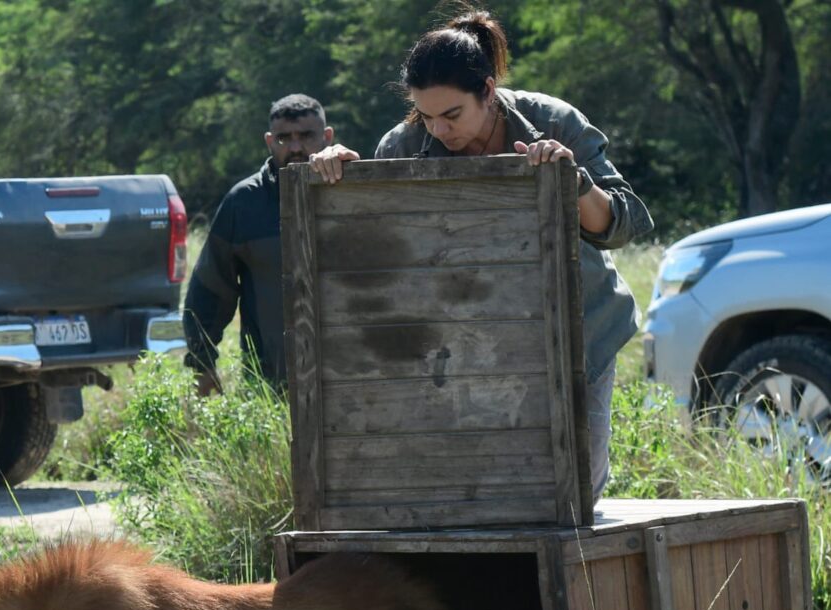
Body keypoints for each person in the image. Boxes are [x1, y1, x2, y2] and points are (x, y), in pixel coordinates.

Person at [308, 10, 653, 502]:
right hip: (462, 340)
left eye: (452, 116)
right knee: (473, 489)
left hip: (580, 330)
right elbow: (380, 248)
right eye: (426, 116)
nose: (440, 130)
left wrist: (572, 182)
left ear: (488, 92)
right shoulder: (404, 145)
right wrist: (342, 176)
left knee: (575, 491)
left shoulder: (554, 119)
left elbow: (627, 224)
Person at [183, 94, 334, 395]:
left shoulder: (353, 191)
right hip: (271, 382)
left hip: (355, 373)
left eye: (306, 136)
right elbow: (210, 287)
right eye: (283, 138)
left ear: (327, 137)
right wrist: (203, 362)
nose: (294, 147)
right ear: (269, 141)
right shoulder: (244, 203)